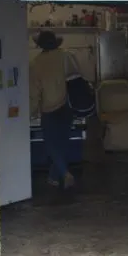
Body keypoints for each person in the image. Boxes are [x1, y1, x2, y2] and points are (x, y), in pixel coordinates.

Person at [29, 30, 79, 189]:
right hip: (67, 106)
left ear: (40, 45)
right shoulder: (66, 56)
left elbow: (34, 92)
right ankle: (53, 177)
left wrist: (32, 111)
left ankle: (64, 173)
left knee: (51, 144)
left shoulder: (36, 63)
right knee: (63, 142)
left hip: (48, 108)